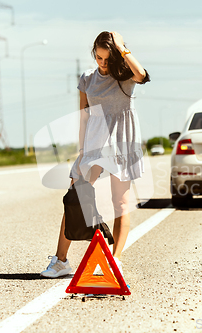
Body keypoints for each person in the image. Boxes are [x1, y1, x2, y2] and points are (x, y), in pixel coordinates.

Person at [40, 31, 149, 278]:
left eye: (108, 59)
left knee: (120, 203)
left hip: (122, 139)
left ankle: (115, 260)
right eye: (99, 57)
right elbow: (84, 115)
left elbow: (142, 75)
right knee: (75, 199)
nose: (103, 63)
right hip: (94, 140)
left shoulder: (126, 76)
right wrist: (81, 150)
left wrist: (121, 46)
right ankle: (61, 261)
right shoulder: (87, 78)